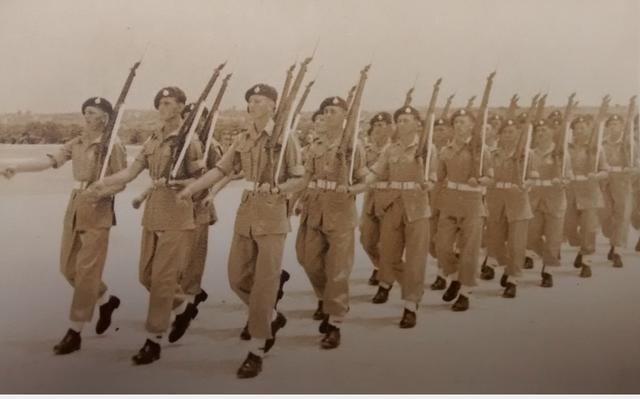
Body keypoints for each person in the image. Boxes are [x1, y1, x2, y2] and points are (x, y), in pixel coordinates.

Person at [178, 83, 304, 379]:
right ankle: (271, 317)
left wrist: (279, 189)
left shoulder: (285, 139)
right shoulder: (243, 138)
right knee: (237, 277)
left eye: (259, 101)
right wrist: (193, 188)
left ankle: (257, 348)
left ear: (273, 105)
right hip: (246, 213)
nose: (252, 105)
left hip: (272, 216)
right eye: (251, 101)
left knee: (264, 283)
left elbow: (300, 178)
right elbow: (221, 170)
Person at [1, 97, 125, 355]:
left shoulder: (113, 145)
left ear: (105, 117)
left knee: (87, 271)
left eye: (93, 113)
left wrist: (100, 191)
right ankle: (105, 300)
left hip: (98, 210)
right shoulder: (77, 142)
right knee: (68, 269)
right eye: (86, 113)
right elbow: (50, 161)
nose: (87, 117)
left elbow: (121, 181)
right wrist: (16, 167)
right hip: (75, 207)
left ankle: (75, 331)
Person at [91, 87, 203, 364]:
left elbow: (201, 180)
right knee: (146, 277)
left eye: (168, 103)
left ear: (180, 106)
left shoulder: (191, 140)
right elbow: (131, 171)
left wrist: (180, 183)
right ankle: (183, 307)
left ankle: (153, 341)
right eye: (160, 103)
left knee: (163, 280)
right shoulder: (154, 138)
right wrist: (103, 183)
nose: (162, 107)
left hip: (177, 215)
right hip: (153, 214)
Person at [294, 96, 367, 349]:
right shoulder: (316, 145)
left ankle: (335, 321)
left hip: (340, 212)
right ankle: (326, 299)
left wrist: (352, 190)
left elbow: (365, 178)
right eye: (325, 111)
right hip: (314, 209)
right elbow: (306, 177)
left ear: (345, 116)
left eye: (333, 111)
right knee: (308, 259)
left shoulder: (353, 146)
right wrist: (294, 199)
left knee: (337, 269)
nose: (327, 115)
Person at [363, 105, 433, 327]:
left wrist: (426, 183)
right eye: (399, 121)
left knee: (415, 259)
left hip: (417, 209)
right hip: (392, 207)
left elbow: (432, 179)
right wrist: (355, 185)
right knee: (389, 256)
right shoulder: (390, 150)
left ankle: (411, 305)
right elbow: (375, 173)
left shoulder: (427, 148)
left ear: (417, 124)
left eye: (406, 120)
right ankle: (411, 286)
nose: (402, 124)